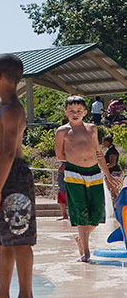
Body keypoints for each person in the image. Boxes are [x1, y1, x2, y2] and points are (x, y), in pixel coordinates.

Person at [0, 54, 36, 298]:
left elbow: (8, 152)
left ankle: (26, 294)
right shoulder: (3, 109)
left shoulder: (13, 109)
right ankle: (1, 293)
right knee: (3, 242)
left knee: (20, 238)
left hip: (12, 177)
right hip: (2, 177)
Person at [54, 95, 117, 263]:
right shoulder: (62, 131)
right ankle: (86, 251)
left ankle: (81, 238)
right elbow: (60, 154)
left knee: (97, 212)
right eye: (71, 111)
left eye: (79, 111)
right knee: (80, 211)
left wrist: (108, 176)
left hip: (94, 171)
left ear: (85, 112)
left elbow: (98, 153)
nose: (75, 114)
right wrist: (75, 157)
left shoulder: (92, 129)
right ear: (66, 112)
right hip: (74, 172)